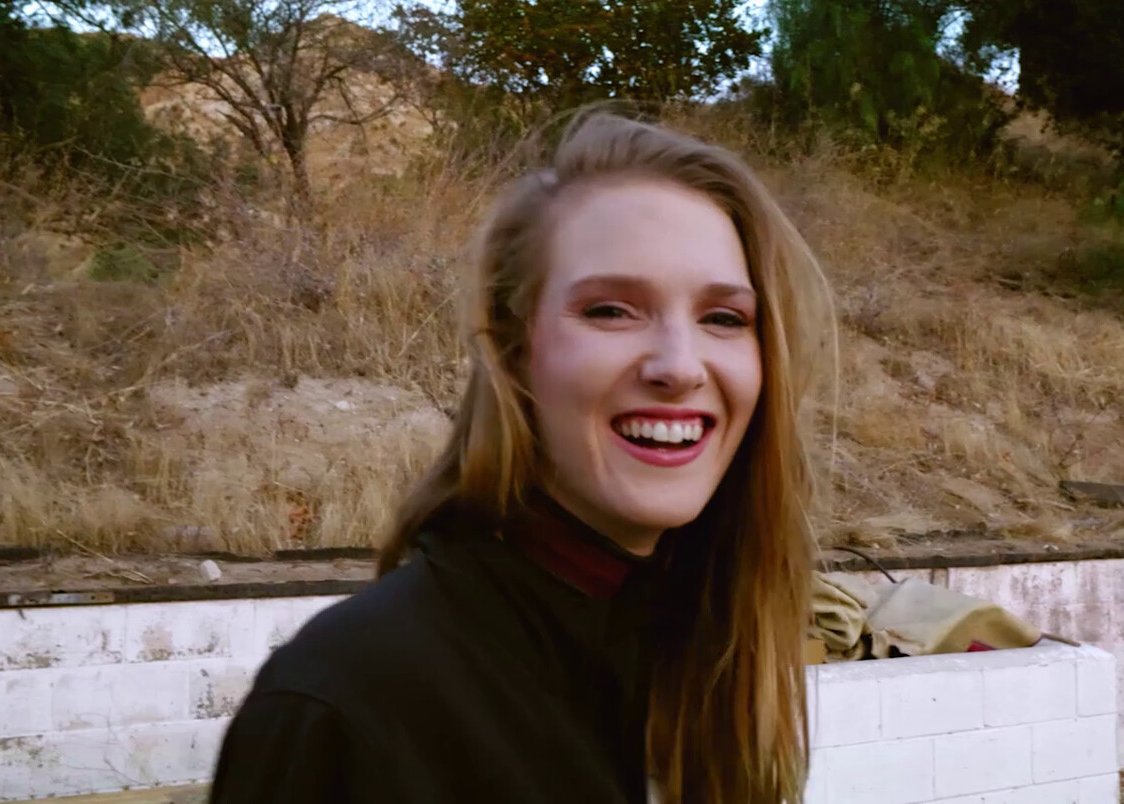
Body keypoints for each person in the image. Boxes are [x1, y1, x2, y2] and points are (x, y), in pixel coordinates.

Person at [208, 110, 838, 804]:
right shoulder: (343, 707)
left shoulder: (717, 660)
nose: (680, 366)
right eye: (610, 310)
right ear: (513, 350)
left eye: (723, 318)